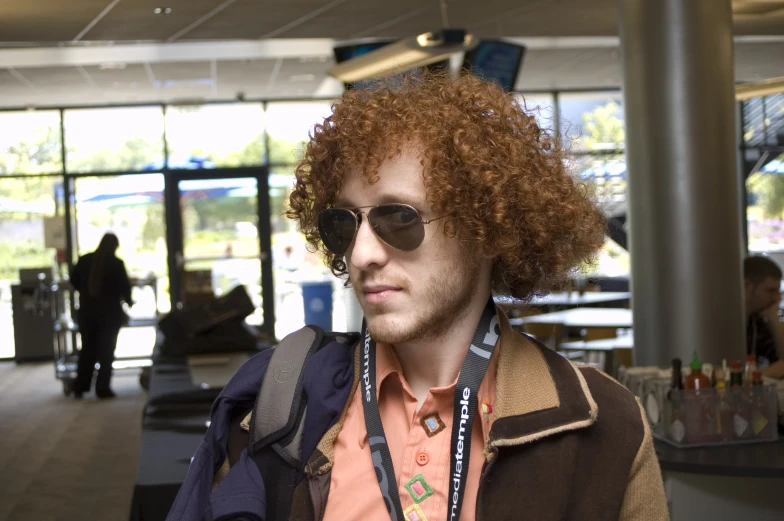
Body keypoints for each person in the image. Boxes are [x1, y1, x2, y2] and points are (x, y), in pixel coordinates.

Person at [167, 71, 668, 521]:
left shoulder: (605, 426)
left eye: (399, 218)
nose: (361, 254)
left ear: (487, 229)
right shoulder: (280, 406)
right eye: (344, 223)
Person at [70, 233, 133, 398]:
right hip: (110, 315)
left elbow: (74, 281)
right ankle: (102, 387)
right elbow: (124, 288)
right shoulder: (117, 264)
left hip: (86, 313)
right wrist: (129, 302)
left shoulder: (84, 260)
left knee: (87, 350)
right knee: (106, 351)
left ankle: (81, 385)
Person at [744, 255, 784, 378]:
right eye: (770, 291)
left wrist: (775, 321)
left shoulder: (757, 321)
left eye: (778, 291)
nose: (777, 298)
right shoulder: (721, 321)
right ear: (747, 286)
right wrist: (763, 374)